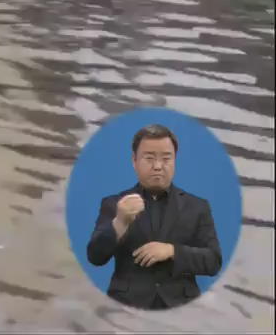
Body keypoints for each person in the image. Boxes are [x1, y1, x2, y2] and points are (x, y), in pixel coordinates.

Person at [86, 124, 222, 311]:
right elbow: (95, 257)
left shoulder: (197, 206)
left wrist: (172, 251)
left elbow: (213, 261)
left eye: (166, 158)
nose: (158, 166)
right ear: (134, 161)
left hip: (183, 309)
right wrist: (120, 222)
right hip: (126, 308)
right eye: (149, 158)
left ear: (175, 161)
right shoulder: (115, 204)